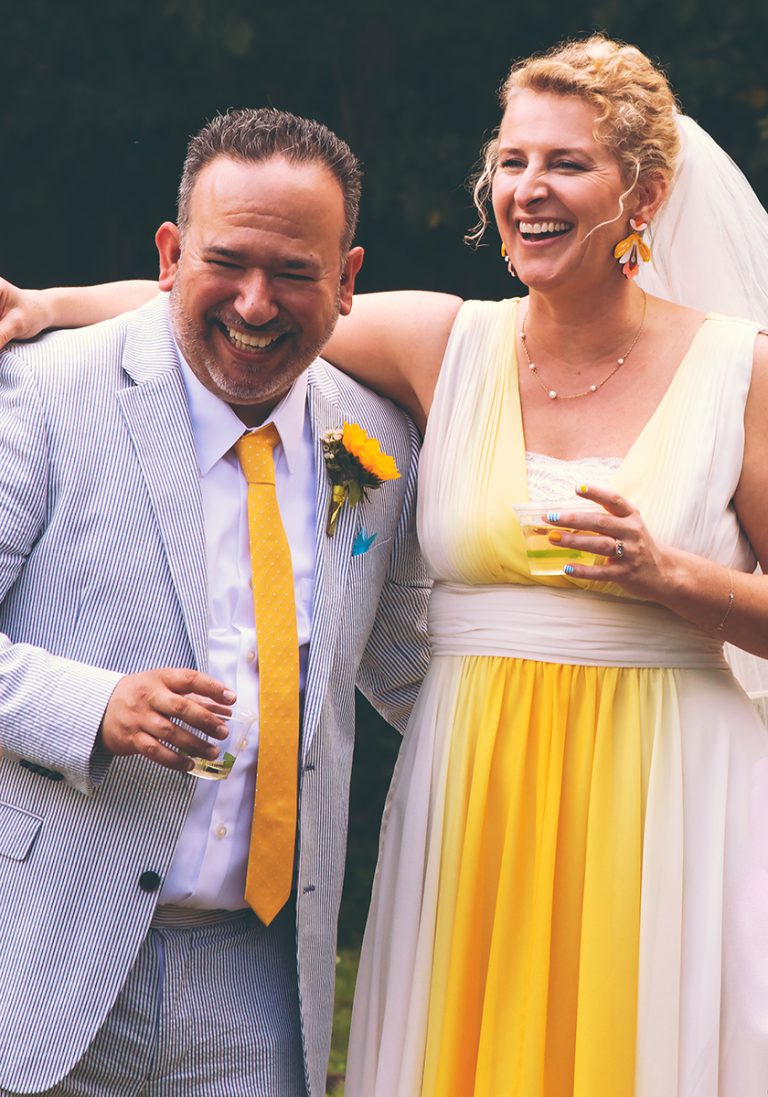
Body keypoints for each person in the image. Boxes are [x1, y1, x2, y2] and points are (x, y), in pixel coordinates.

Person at [3, 34, 768, 1097]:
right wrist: (43, 307)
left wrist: (670, 576)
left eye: (566, 163)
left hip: (674, 783)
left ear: (642, 193)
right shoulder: (449, 346)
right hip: (479, 790)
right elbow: (233, 288)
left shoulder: (737, 366)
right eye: (511, 161)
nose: (528, 188)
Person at [0, 107, 430, 1097]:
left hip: (264, 975)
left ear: (349, 278)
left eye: (294, 273)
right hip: (44, 950)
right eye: (226, 261)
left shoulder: (379, 444)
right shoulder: (40, 392)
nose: (254, 301)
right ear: (168, 254)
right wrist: (92, 705)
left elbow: (420, 673)